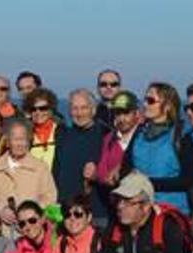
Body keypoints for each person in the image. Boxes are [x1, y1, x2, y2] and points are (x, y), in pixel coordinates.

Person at [0, 119, 57, 231]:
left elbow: (50, 198)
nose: (20, 144)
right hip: (0, 233)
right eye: (15, 139)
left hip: (30, 232)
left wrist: (28, 214)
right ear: (8, 142)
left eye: (23, 139)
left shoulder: (40, 168)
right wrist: (0, 209)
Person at [125, 82, 192, 214]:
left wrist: (148, 183)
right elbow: (125, 166)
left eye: (150, 101)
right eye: (144, 100)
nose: (144, 105)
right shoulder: (139, 132)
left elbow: (186, 180)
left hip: (172, 212)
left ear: (167, 106)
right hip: (141, 212)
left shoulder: (181, 134)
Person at [56, 89, 106, 222]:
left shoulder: (105, 135)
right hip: (66, 212)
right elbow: (56, 171)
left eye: (84, 108)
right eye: (75, 108)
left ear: (93, 110)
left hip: (97, 212)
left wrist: (97, 175)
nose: (79, 113)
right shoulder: (63, 136)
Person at [96, 91, 140, 196]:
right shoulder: (109, 139)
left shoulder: (143, 137)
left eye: (126, 113)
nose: (122, 119)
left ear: (136, 113)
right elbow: (102, 171)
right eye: (118, 113)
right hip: (114, 200)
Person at [24, 88, 64, 178]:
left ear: (51, 110)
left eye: (43, 108)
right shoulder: (25, 136)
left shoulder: (62, 133)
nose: (38, 112)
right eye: (33, 109)